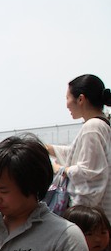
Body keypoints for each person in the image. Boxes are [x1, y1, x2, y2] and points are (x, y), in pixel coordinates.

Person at [46, 74, 111, 217]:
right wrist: (51, 149)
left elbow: (89, 172)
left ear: (81, 99)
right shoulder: (102, 124)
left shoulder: (92, 127)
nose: (66, 105)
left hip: (92, 219)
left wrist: (60, 169)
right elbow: (79, 154)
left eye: (67, 98)